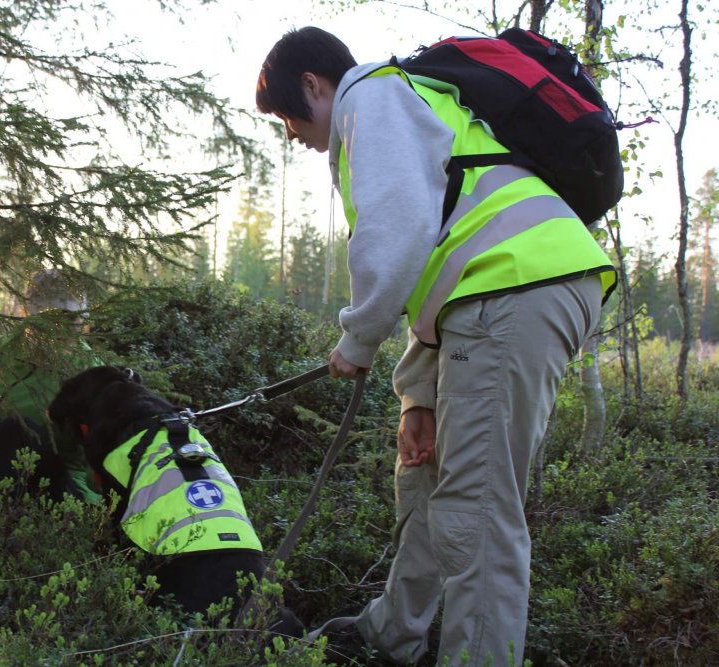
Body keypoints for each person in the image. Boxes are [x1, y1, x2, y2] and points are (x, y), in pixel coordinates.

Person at [255, 27, 617, 666]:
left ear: (313, 86)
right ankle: (389, 634)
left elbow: (398, 233)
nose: (293, 134)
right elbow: (443, 246)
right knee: (425, 478)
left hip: (516, 286)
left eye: (287, 117)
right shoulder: (410, 103)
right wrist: (417, 393)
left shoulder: (371, 97)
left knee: (477, 509)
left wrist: (357, 338)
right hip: (496, 291)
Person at [0, 269, 102, 505]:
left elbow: (99, 460)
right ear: (24, 314)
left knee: (18, 429)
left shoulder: (92, 373)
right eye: (48, 319)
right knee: (14, 429)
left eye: (68, 319)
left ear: (84, 321)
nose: (58, 329)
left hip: (65, 494)